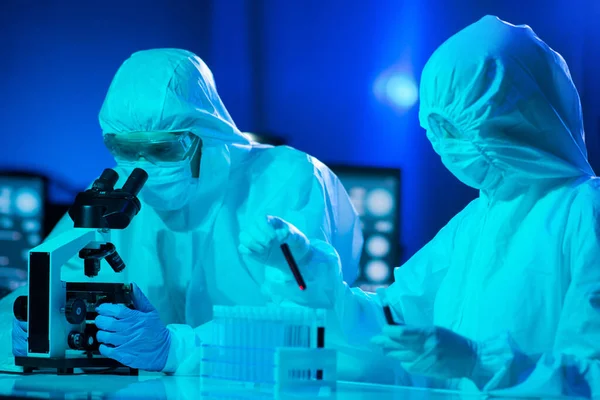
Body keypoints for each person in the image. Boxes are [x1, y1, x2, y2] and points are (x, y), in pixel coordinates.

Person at [241, 16, 600, 395]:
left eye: (456, 129)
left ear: (515, 120)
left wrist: (480, 361)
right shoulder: (474, 223)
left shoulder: (586, 213)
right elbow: (389, 324)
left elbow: (591, 373)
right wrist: (306, 270)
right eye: (436, 130)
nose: (443, 146)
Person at [5, 48, 393, 380]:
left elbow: (311, 326)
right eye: (124, 148)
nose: (142, 168)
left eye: (163, 150)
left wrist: (177, 349)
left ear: (207, 135)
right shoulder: (112, 194)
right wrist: (37, 325)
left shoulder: (286, 179)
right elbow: (36, 293)